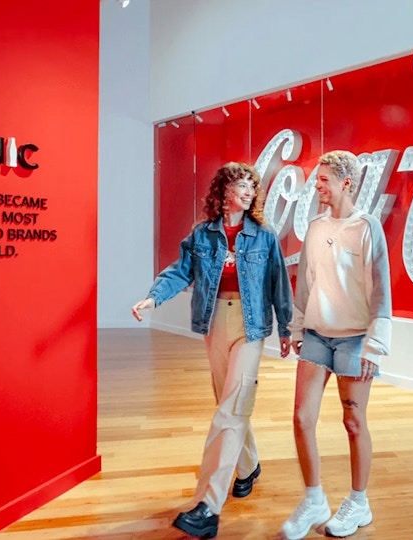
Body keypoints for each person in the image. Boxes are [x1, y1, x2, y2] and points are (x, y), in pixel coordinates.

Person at [131, 162, 293, 539]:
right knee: (229, 403)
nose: (250, 192)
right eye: (242, 185)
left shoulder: (264, 236)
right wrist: (153, 299)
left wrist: (286, 329)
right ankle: (248, 466)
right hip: (214, 322)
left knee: (232, 408)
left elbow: (279, 283)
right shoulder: (203, 235)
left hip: (251, 326)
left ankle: (208, 505)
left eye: (254, 186)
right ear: (222, 191)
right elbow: (178, 271)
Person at [280, 150, 392, 540]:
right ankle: (314, 499)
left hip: (355, 339)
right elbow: (305, 284)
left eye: (323, 179)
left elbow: (380, 292)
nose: (317, 185)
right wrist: (296, 330)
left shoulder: (367, 227)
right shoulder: (313, 228)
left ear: (346, 183)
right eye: (316, 179)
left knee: (353, 421)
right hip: (315, 335)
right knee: (301, 418)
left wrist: (374, 346)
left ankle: (359, 502)